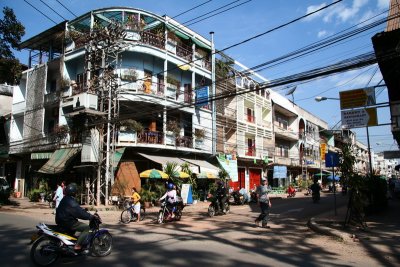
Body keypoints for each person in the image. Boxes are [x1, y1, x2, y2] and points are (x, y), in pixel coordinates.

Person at [56, 183, 94, 251]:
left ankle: (68, 245)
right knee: (87, 228)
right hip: (68, 222)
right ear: (74, 192)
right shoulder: (71, 201)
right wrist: (90, 216)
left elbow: (76, 210)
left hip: (60, 220)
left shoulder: (65, 199)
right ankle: (77, 245)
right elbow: (80, 213)